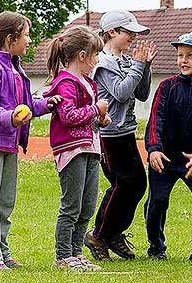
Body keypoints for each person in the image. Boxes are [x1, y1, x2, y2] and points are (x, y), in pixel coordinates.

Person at [0, 11, 61, 270]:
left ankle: (2, 252)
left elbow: (26, 105)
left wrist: (46, 104)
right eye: (26, 35)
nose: (29, 40)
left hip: (8, 141)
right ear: (11, 38)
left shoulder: (16, 67)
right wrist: (11, 118)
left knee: (6, 202)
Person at [84, 9, 158, 261]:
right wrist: (138, 65)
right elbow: (121, 93)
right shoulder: (104, 63)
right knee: (123, 184)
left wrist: (144, 66)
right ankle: (100, 234)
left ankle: (113, 232)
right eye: (129, 32)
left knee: (137, 184)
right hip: (109, 134)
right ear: (112, 32)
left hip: (125, 133)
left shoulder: (126, 60)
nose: (133, 38)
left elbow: (142, 93)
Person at [144, 31, 192, 261]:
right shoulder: (166, 87)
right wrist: (154, 148)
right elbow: (155, 119)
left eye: (191, 55)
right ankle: (156, 247)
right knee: (157, 201)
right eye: (180, 55)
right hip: (163, 159)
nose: (184, 60)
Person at [42, 25, 111, 272]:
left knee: (87, 206)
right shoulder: (66, 83)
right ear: (82, 56)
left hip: (91, 148)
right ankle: (63, 256)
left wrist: (100, 119)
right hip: (72, 150)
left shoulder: (88, 83)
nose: (97, 60)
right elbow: (69, 115)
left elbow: (86, 117)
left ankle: (77, 253)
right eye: (95, 54)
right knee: (72, 205)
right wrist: (96, 110)